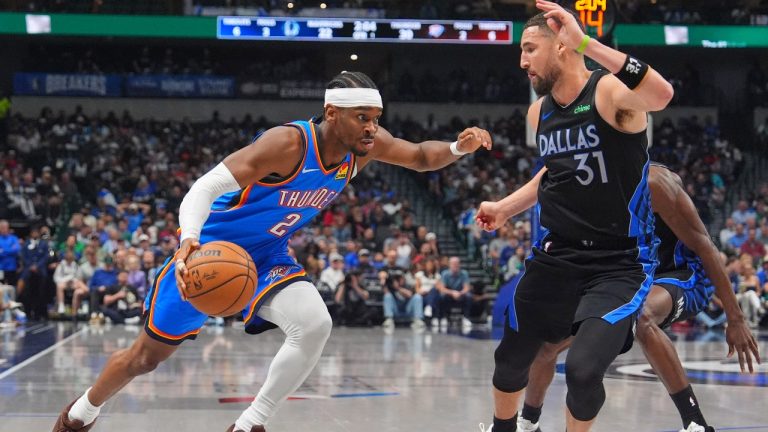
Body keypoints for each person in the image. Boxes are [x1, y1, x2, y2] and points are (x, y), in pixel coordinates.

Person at [53, 70, 492, 432]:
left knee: (315, 323)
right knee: (143, 358)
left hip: (267, 256)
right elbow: (203, 188)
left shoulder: (365, 148)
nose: (372, 127)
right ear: (331, 113)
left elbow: (419, 156)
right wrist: (189, 240)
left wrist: (458, 147)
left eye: (376, 118)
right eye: (362, 117)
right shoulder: (288, 145)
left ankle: (250, 425)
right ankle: (81, 414)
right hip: (211, 253)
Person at [475, 2, 675, 431]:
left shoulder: (608, 93)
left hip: (619, 264)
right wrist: (506, 206)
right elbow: (554, 171)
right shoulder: (540, 112)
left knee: (583, 372)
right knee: (510, 359)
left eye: (530, 48)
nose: (521, 60)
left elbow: (661, 94)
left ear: (561, 47)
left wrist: (586, 41)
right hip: (557, 257)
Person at [505, 164, 760, 432]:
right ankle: (528, 423)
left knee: (642, 315)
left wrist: (736, 318)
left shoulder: (655, 183)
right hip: (626, 274)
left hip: (681, 272)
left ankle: (695, 423)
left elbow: (706, 248)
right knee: (547, 340)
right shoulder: (585, 188)